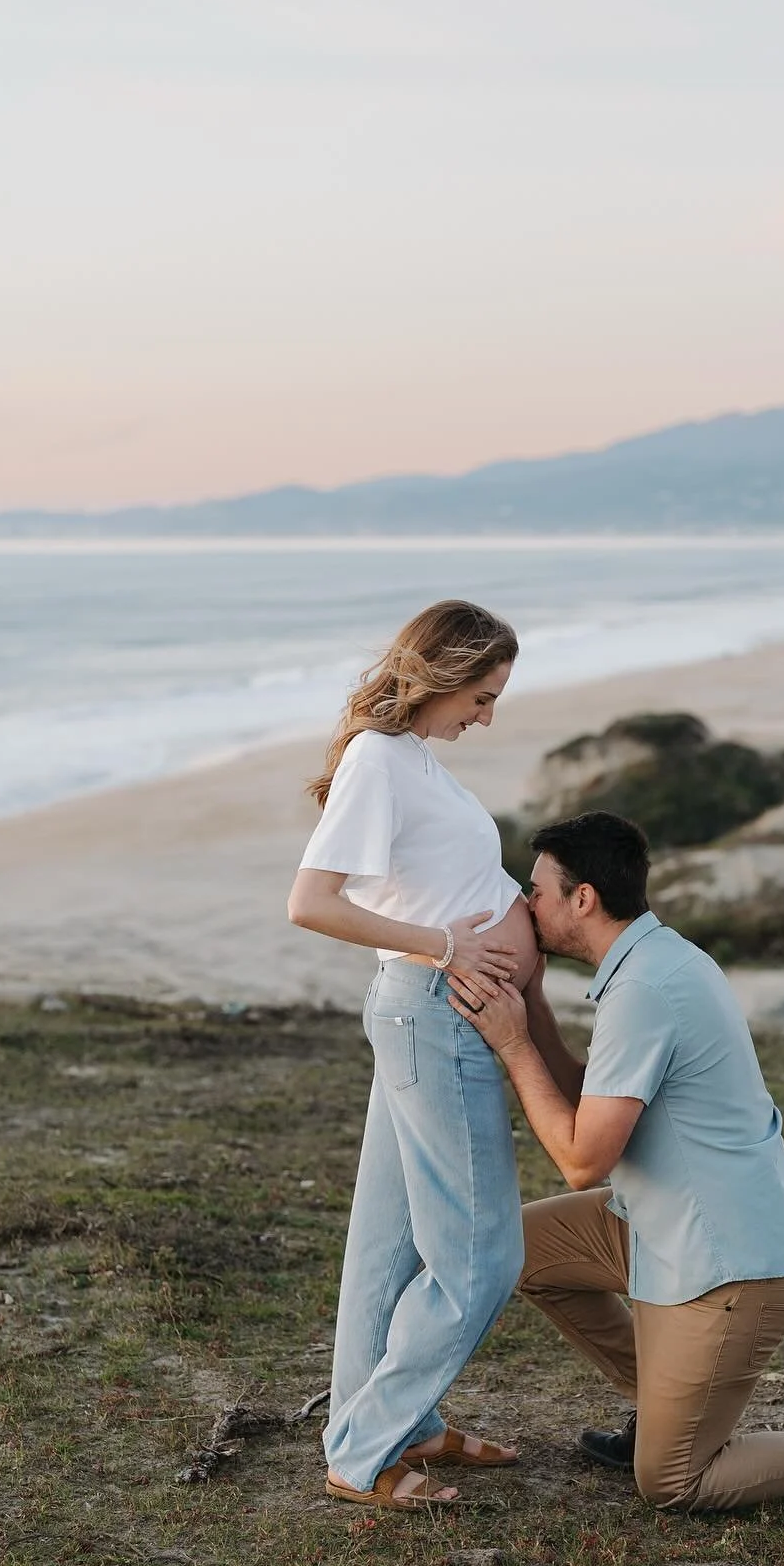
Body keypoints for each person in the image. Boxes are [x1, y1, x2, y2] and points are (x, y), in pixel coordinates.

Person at [447, 810, 784, 1513]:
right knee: (516, 1248)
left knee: (672, 1481)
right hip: (667, 1225)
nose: (526, 904)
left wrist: (515, 1045)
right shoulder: (657, 960)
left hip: (730, 1263)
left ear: (583, 898)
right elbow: (593, 1098)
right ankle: (665, 1408)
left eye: (537, 890)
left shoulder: (644, 991)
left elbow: (582, 1159)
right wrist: (534, 1004)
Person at [287, 600, 540, 1512]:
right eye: (481, 695)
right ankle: (364, 1449)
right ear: (442, 676)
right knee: (480, 1259)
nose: (487, 716)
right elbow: (311, 902)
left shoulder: (414, 757)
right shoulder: (377, 759)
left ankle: (404, 1426)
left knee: (385, 1249)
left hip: (429, 1015)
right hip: (432, 1012)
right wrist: (444, 946)